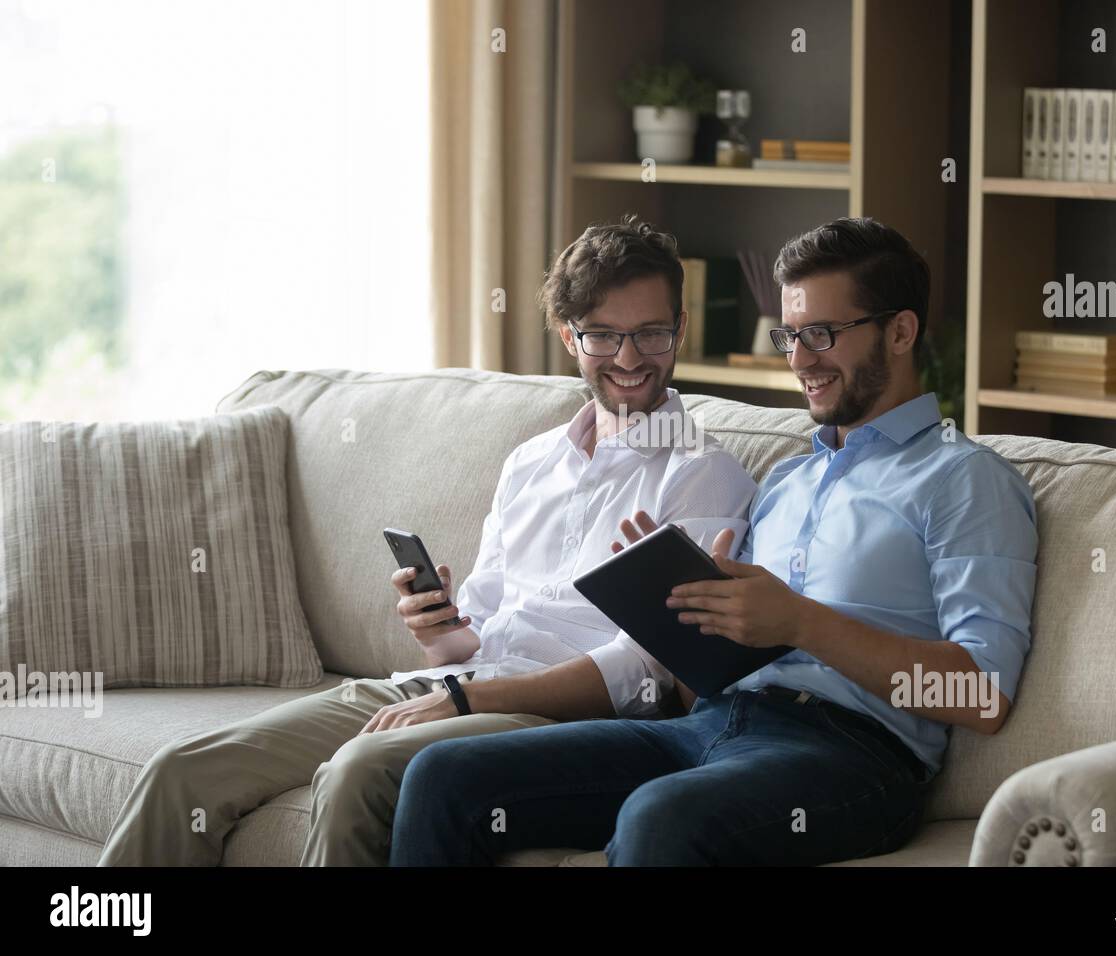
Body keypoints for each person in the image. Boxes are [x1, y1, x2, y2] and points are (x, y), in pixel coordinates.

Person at [98, 216, 756, 866]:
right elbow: (478, 630)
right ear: (568, 335)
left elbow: (645, 674)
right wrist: (438, 624)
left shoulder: (700, 474)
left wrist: (467, 698)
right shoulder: (532, 461)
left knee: (358, 771)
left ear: (680, 329)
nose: (631, 357)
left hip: (548, 718)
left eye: (650, 333)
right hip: (449, 680)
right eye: (605, 336)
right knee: (184, 772)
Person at [389, 216, 1039, 867]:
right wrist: (668, 608)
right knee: (445, 775)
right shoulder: (787, 479)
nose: (800, 360)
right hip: (710, 726)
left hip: (851, 757)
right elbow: (696, 687)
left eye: (823, 334)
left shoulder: (964, 478)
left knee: (659, 817)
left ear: (900, 330)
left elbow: (981, 697)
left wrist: (802, 623)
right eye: (790, 335)